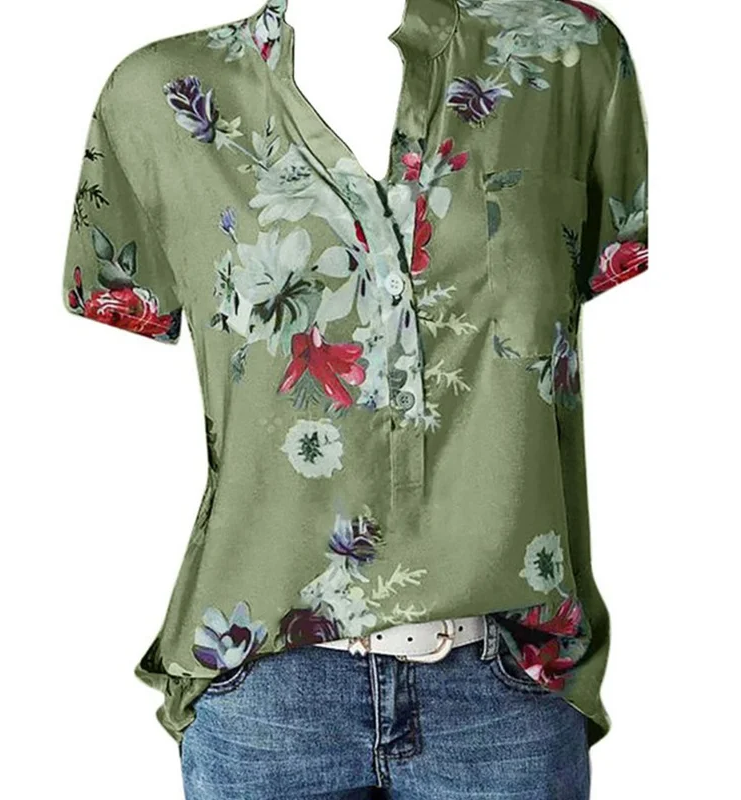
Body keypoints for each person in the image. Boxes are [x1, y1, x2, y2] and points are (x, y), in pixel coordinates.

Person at [60, 1, 648, 797]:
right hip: (265, 690)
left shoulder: (569, 57)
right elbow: (111, 381)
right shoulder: (160, 93)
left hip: (506, 688)